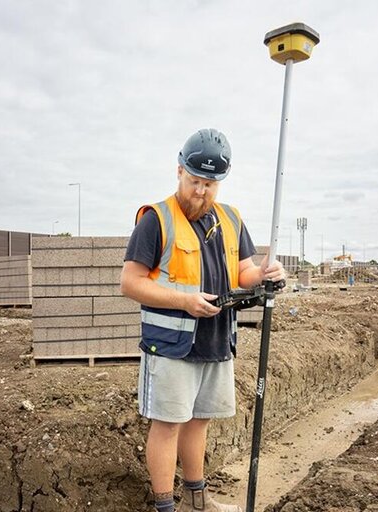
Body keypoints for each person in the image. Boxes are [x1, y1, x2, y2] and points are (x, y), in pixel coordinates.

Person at [120, 128, 286, 512]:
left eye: (210, 184)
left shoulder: (230, 218)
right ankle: (166, 507)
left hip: (215, 339)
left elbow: (243, 271)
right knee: (167, 425)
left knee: (199, 422)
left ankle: (198, 500)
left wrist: (264, 274)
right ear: (179, 171)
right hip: (172, 346)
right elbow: (129, 283)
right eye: (195, 181)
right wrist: (184, 301)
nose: (201, 191)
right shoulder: (156, 220)